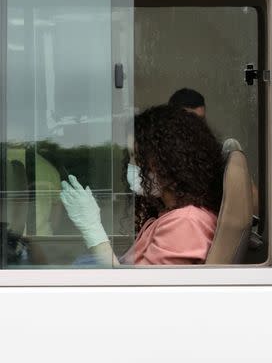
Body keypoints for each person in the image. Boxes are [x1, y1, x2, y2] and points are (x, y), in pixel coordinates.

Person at [60, 104, 224, 266]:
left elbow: (135, 290)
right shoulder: (171, 214)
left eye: (137, 157)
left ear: (168, 161)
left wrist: (92, 229)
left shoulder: (186, 223)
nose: (131, 165)